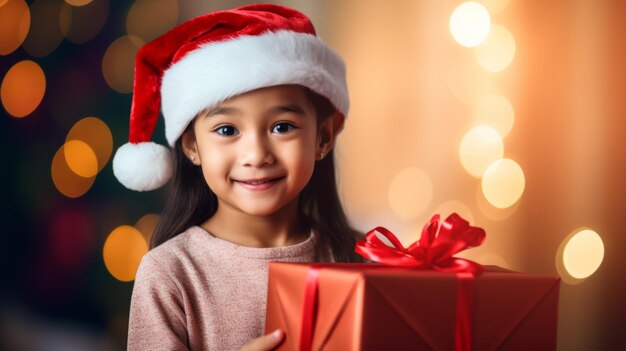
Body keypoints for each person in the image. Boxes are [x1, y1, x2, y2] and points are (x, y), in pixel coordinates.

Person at [111, 4, 362, 350]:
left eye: (282, 127)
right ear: (192, 146)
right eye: (227, 129)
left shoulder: (358, 258)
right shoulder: (170, 273)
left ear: (323, 137)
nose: (257, 155)